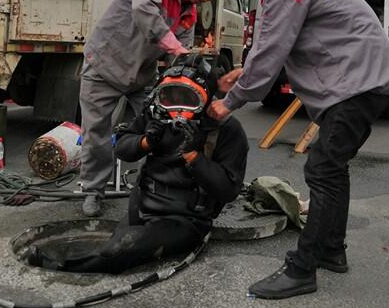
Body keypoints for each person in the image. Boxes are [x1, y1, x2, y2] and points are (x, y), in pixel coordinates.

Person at [208, 0, 389, 300]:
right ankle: (332, 250)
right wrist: (244, 68)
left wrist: (229, 102)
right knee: (333, 169)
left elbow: (271, 53)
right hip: (366, 79)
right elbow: (273, 45)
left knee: (322, 170)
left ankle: (302, 269)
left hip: (356, 83)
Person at [28, 55, 248, 273]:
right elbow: (123, 146)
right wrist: (145, 142)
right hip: (143, 205)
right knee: (116, 243)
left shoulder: (226, 129)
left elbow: (228, 190)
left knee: (121, 248)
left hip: (186, 219)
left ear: (207, 98)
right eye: (170, 97)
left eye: (188, 98)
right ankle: (86, 258)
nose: (178, 110)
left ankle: (64, 266)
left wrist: (194, 157)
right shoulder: (156, 115)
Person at [79, 0, 231, 218]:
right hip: (104, 66)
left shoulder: (188, 14)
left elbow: (177, 59)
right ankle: (93, 190)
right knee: (96, 133)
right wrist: (175, 47)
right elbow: (143, 10)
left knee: (168, 122)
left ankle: (157, 184)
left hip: (142, 75)